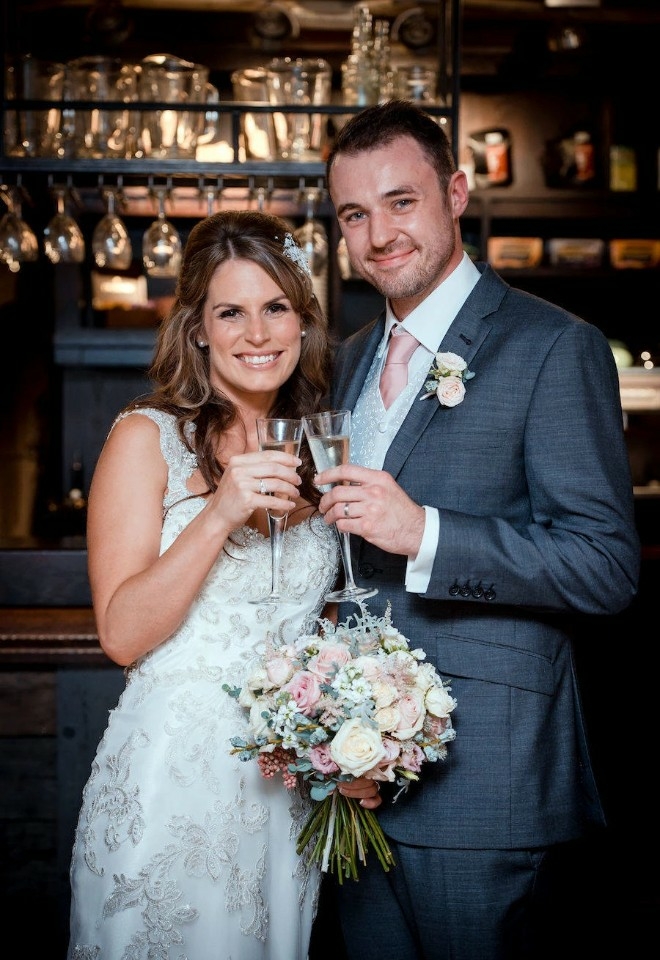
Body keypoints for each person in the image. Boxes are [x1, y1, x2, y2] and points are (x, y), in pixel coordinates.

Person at [311, 99, 641, 960]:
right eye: (355, 213)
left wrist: (426, 532)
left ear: (456, 194)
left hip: (484, 769)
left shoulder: (552, 346)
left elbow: (605, 566)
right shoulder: (343, 359)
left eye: (401, 201)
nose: (379, 233)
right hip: (348, 771)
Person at [66, 209, 378, 960]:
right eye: (231, 312)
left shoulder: (322, 446)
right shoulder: (147, 438)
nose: (257, 333)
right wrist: (219, 515)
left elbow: (322, 629)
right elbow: (121, 634)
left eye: (276, 308)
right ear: (199, 328)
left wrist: (351, 742)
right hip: (173, 778)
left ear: (304, 323)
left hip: (285, 793)